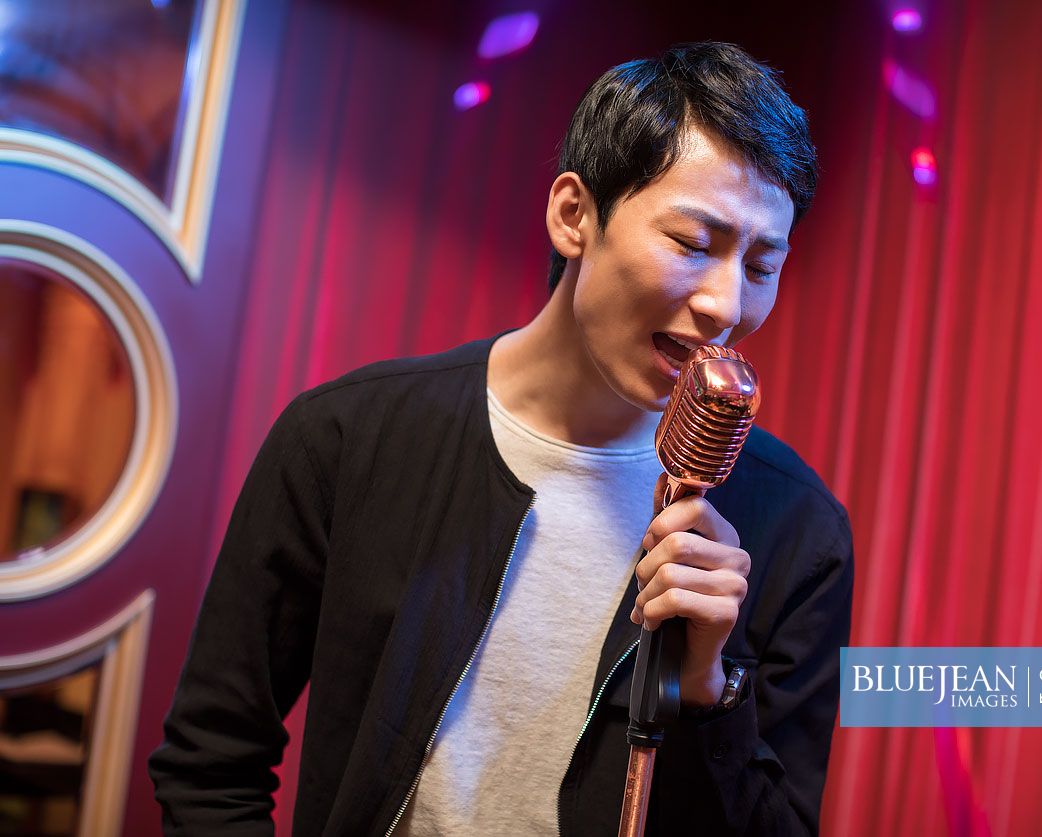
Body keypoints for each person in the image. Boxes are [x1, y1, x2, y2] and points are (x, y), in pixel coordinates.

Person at [149, 41, 854, 836]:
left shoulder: (796, 529)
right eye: (692, 243)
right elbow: (210, 762)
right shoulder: (347, 439)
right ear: (572, 215)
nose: (726, 303)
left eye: (762, 264)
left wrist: (705, 688)